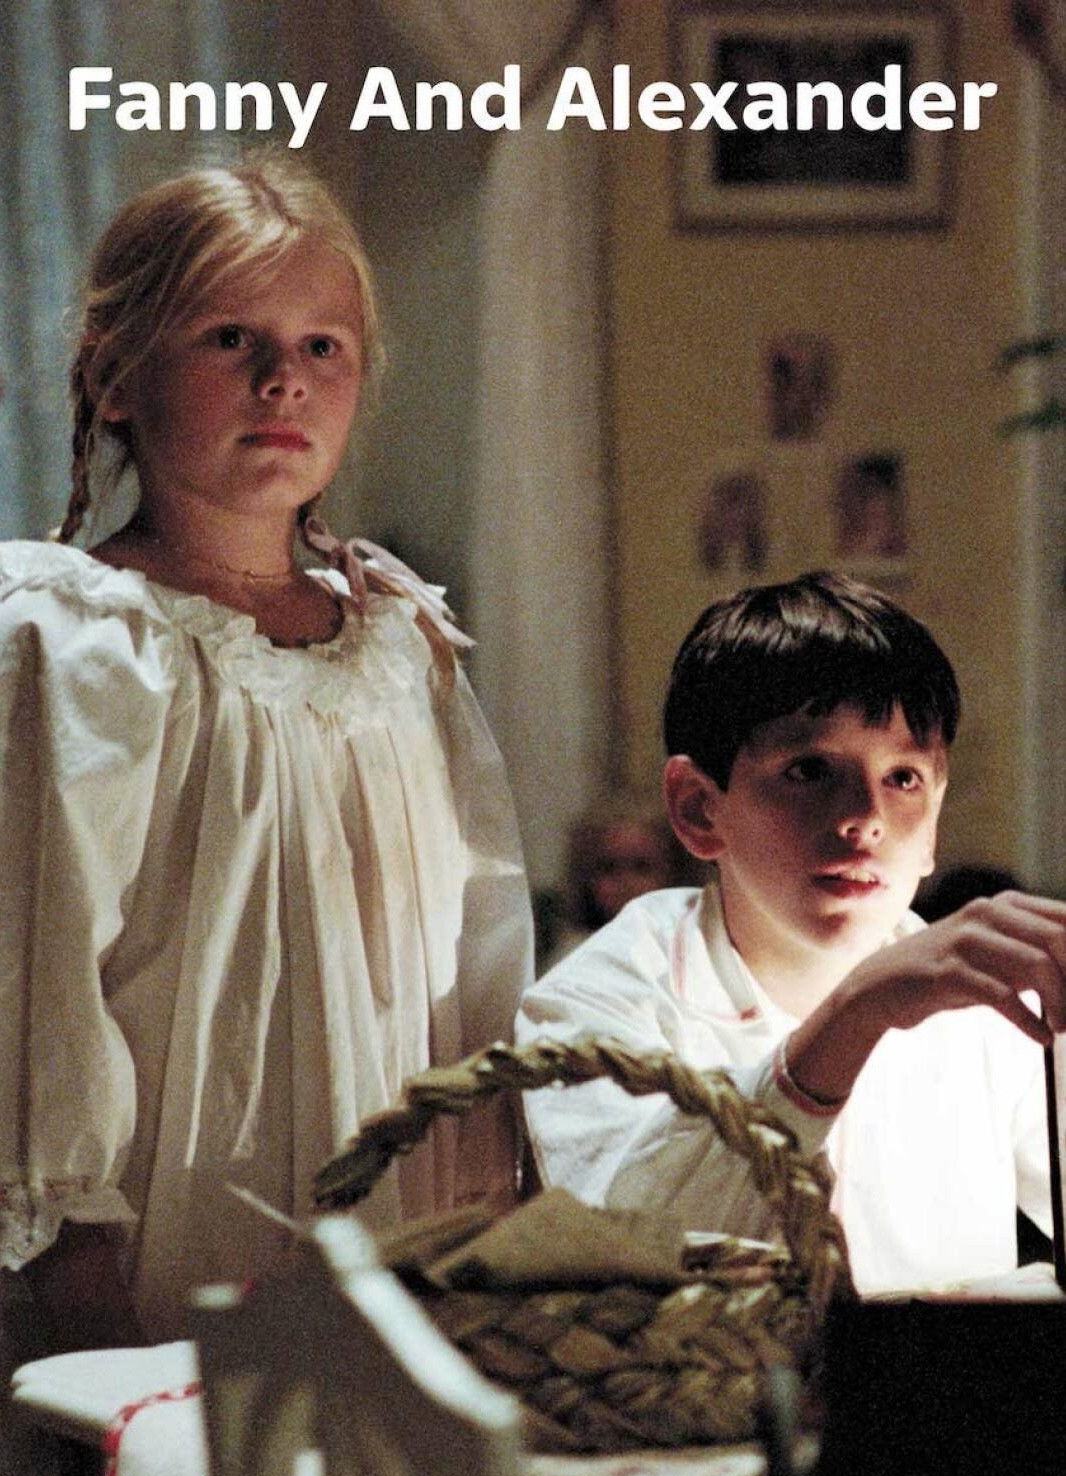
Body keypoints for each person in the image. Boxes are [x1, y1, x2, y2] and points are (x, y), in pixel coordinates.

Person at [0, 157, 532, 1351]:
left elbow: (473, 960)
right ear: (116, 377)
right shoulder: (68, 643)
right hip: (152, 1269)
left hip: (395, 1250)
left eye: (321, 346)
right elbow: (31, 984)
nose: (283, 378)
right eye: (230, 338)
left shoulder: (399, 642)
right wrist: (92, 1325)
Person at [519, 571, 1060, 1297]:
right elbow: (639, 1244)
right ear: (698, 809)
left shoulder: (994, 1009)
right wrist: (859, 1010)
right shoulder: (599, 999)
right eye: (810, 770)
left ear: (934, 820)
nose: (864, 817)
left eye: (903, 778)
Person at [539, 791, 691, 970]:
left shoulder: (694, 947)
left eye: (641, 867)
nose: (626, 883)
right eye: (608, 868)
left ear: (673, 871)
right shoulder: (575, 956)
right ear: (586, 878)